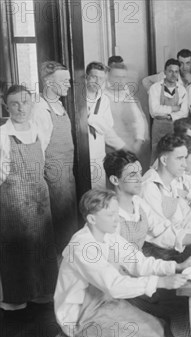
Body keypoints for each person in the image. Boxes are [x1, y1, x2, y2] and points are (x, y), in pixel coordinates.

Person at [54, 189, 191, 337]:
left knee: (160, 327)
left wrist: (176, 267)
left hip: (107, 305)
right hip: (81, 318)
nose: (116, 219)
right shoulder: (82, 245)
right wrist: (160, 282)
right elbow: (114, 285)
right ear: (92, 219)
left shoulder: (110, 236)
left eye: (116, 213)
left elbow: (138, 263)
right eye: (110, 215)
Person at [0, 85, 58, 312]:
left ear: (32, 103)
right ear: (6, 106)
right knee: (16, 247)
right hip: (12, 199)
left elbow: (41, 154)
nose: (20, 108)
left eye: (25, 102)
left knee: (42, 243)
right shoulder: (3, 136)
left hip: (39, 198)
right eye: (14, 103)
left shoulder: (39, 128)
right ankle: (17, 296)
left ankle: (43, 291)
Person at [34, 61, 79, 252]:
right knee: (62, 219)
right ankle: (64, 262)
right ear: (49, 83)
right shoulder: (41, 108)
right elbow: (40, 147)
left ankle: (71, 257)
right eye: (65, 81)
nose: (69, 84)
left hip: (67, 171)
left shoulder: (58, 104)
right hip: (54, 172)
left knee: (68, 215)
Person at [105, 56, 150, 169]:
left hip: (132, 149)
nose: (120, 81)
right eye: (116, 77)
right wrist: (124, 147)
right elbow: (106, 130)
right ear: (108, 77)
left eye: (123, 77)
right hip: (112, 150)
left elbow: (139, 119)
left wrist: (139, 141)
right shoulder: (103, 97)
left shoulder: (127, 95)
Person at [86, 61, 125, 189]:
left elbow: (107, 127)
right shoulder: (77, 98)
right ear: (87, 77)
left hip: (98, 153)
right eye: (94, 77)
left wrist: (90, 118)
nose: (97, 81)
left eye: (101, 78)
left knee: (98, 192)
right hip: (82, 154)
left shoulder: (104, 100)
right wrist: (98, 121)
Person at [148, 58, 189, 159]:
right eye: (170, 71)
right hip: (159, 126)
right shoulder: (155, 88)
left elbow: (184, 112)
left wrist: (169, 115)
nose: (174, 75)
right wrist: (174, 108)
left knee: (173, 154)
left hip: (175, 126)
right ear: (165, 72)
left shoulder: (182, 90)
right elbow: (154, 110)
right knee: (157, 153)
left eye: (176, 72)